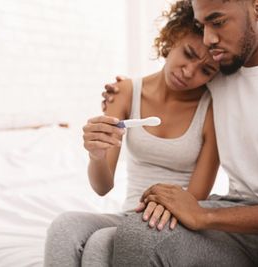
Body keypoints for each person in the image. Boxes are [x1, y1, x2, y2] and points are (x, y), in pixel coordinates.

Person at [103, 0, 258, 266]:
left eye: (217, 22)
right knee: (141, 233)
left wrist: (205, 216)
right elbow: (170, 84)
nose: (208, 39)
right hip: (237, 212)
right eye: (202, 25)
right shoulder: (218, 70)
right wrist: (123, 92)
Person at [44, 1, 220, 266]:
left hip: (174, 221)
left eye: (206, 70)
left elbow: (196, 199)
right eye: (188, 54)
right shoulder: (125, 92)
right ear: (172, 38)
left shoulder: (211, 110)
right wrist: (97, 155)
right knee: (64, 226)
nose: (189, 71)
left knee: (101, 245)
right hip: (128, 213)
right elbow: (103, 187)